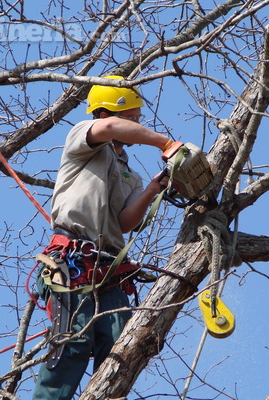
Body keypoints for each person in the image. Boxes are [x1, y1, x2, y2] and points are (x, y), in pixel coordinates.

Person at [32, 76, 173, 400]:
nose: (138, 124)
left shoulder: (129, 174)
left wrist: (154, 187)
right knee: (73, 341)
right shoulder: (82, 138)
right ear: (109, 112)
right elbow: (108, 129)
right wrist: (165, 144)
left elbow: (124, 222)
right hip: (71, 261)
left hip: (108, 270)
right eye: (132, 119)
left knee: (121, 348)